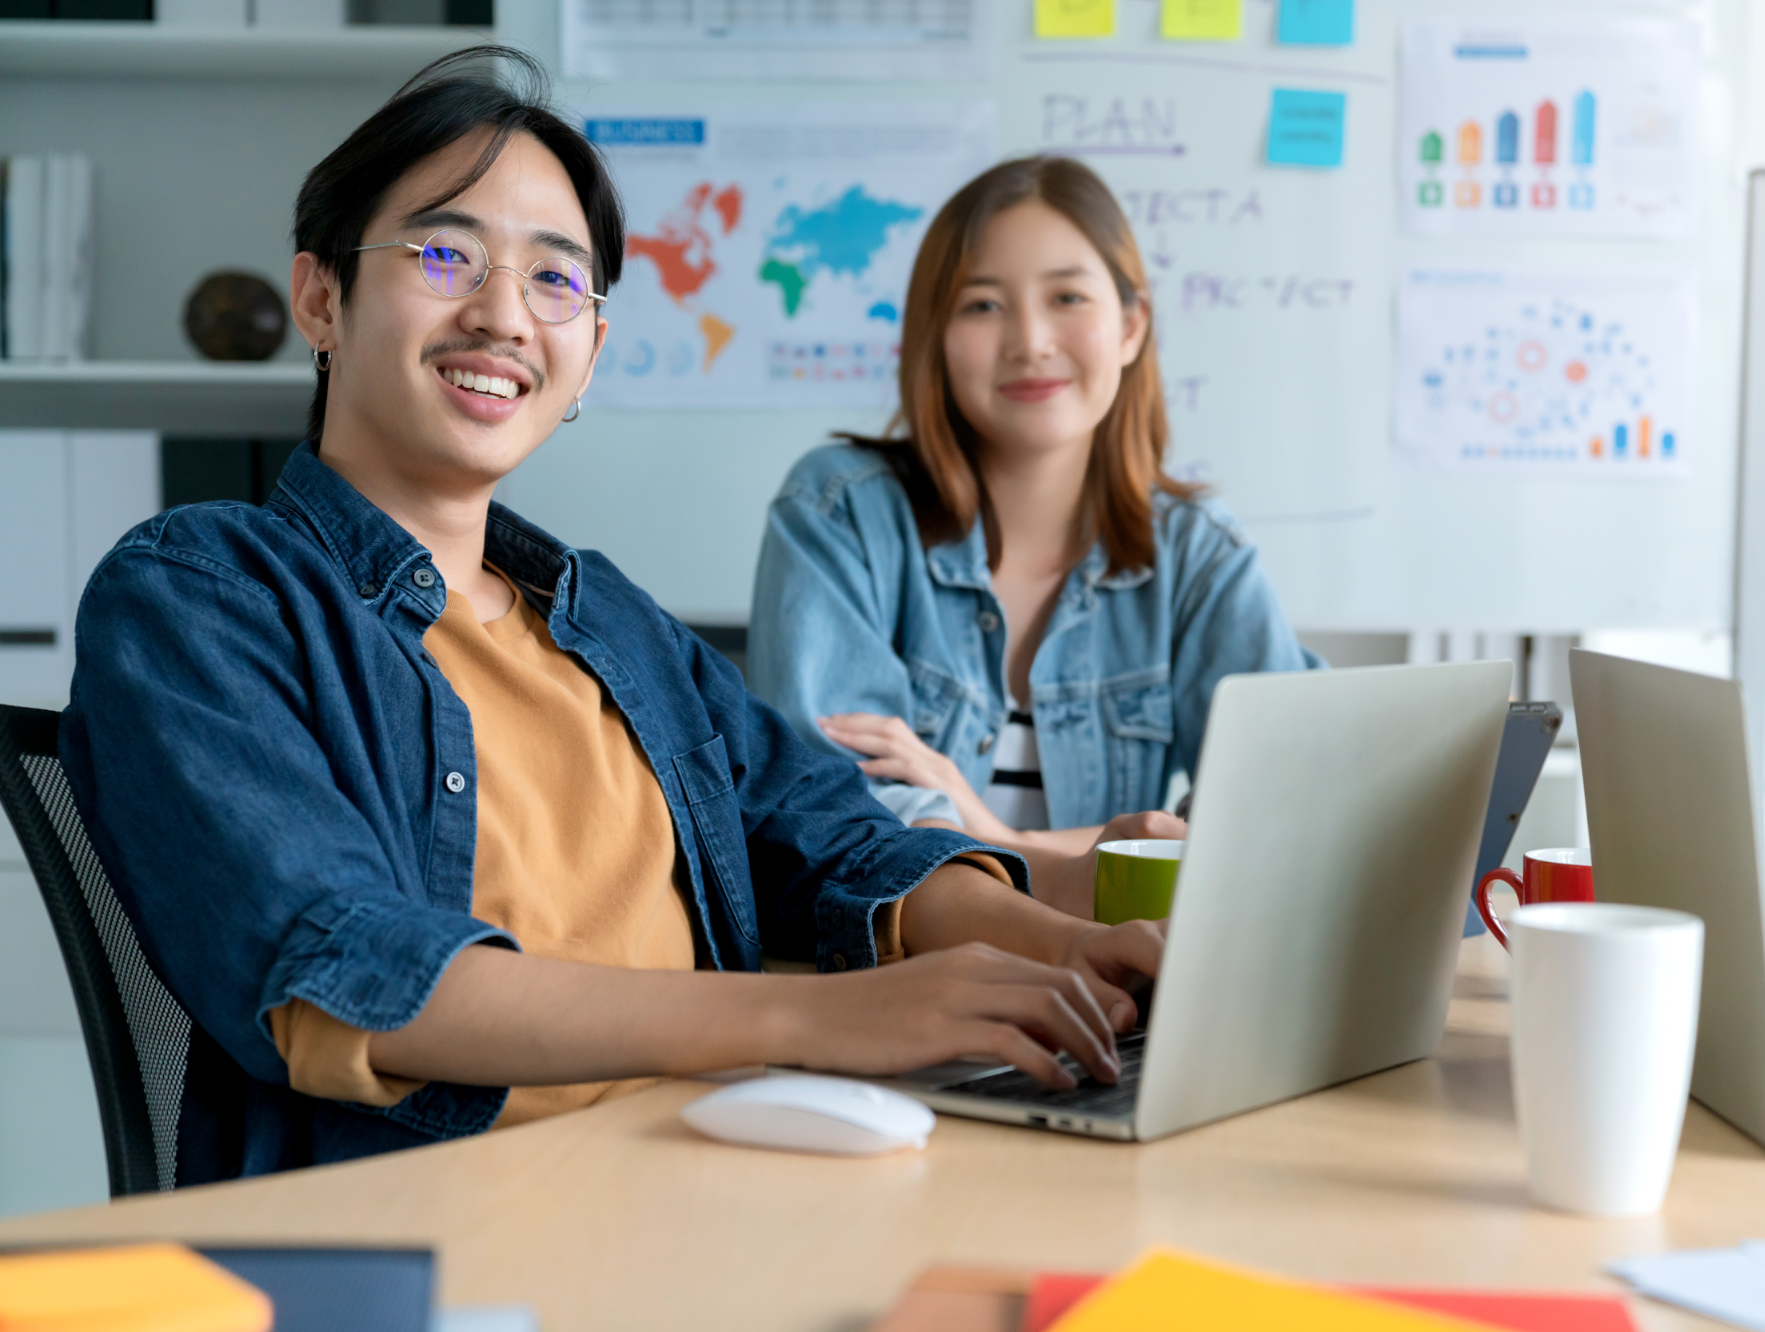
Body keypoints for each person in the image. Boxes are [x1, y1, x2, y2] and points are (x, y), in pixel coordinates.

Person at [58, 53, 1162, 1185]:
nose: (501, 315)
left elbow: (837, 838)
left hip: (727, 1185)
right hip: (428, 1231)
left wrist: (1085, 955)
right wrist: (817, 1023)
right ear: (319, 298)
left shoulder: (610, 623)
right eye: (446, 254)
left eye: (556, 281)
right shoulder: (203, 593)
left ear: (587, 348)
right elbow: (355, 969)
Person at [749, 157, 1321, 919]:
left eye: (1066, 297)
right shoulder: (838, 512)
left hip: (1120, 995)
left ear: (1130, 325)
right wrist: (1076, 863)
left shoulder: (1197, 555)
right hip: (899, 990)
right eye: (981, 306)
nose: (1029, 340)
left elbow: (1279, 815)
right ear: (934, 337)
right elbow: (833, 816)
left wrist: (981, 830)